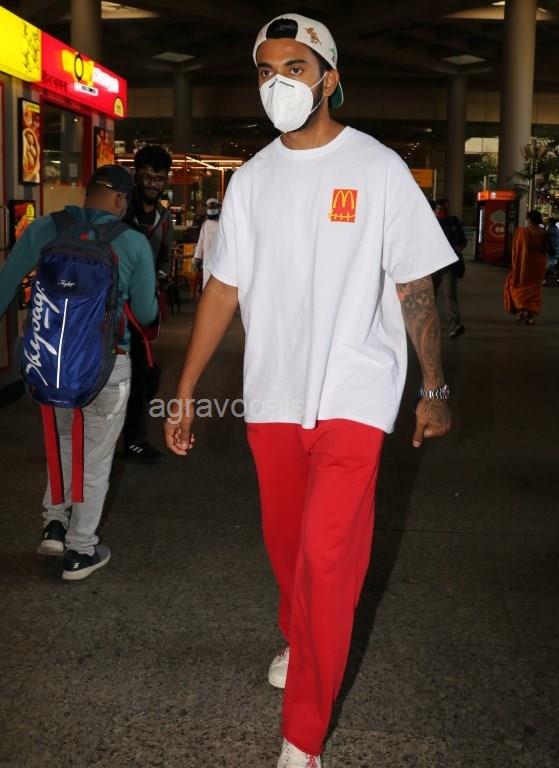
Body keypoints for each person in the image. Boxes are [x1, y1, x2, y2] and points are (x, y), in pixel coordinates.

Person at [164, 13, 456, 768]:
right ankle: (301, 636)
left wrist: (433, 386)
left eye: (293, 68)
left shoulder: (378, 168)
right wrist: (186, 388)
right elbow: (223, 289)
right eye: (265, 71)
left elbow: (414, 286)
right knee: (288, 546)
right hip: (272, 395)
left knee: (327, 558)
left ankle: (303, 737)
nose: (277, 84)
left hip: (356, 393)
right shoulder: (252, 180)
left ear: (328, 79)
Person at [0, 165, 158, 580]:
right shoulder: (133, 241)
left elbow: (6, 283)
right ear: (120, 199)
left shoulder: (46, 228)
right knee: (96, 458)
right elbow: (146, 313)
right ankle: (80, 550)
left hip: (51, 361)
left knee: (64, 442)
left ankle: (54, 524)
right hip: (107, 365)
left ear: (88, 194)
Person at [123, 145, 173, 463]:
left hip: (143, 307)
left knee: (144, 374)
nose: (153, 184)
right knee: (132, 372)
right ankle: (130, 438)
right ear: (136, 175)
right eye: (148, 177)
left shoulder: (163, 217)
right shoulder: (120, 210)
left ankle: (132, 437)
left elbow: (165, 256)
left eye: (159, 178)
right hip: (113, 305)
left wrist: (161, 279)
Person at [504, 209, 548, 325]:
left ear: (529, 219)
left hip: (526, 264)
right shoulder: (543, 232)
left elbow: (519, 250)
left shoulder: (524, 232)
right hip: (539, 264)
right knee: (534, 290)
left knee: (516, 287)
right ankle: (530, 315)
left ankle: (522, 311)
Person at [432, 197, 467, 339]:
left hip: (449, 265)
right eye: (439, 208)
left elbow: (462, 241)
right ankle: (430, 324)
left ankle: (454, 325)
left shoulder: (453, 221)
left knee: (450, 294)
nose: (442, 211)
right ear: (434, 210)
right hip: (432, 264)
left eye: (445, 208)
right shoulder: (430, 223)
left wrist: (457, 249)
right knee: (430, 296)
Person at [198, 197, 221, 287]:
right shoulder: (205, 224)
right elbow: (201, 240)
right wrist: (197, 256)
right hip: (207, 258)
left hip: (219, 258)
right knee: (207, 282)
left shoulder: (222, 223)